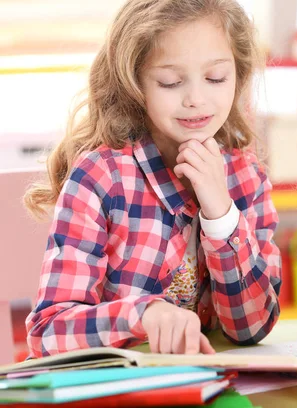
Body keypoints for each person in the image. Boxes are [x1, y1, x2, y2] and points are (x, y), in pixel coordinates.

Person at [23, 0, 281, 358]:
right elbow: (47, 332)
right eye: (170, 82)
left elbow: (252, 327)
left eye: (215, 78)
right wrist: (143, 314)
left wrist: (221, 216)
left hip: (210, 383)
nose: (196, 99)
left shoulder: (246, 177)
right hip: (118, 388)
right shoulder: (101, 178)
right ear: (134, 83)